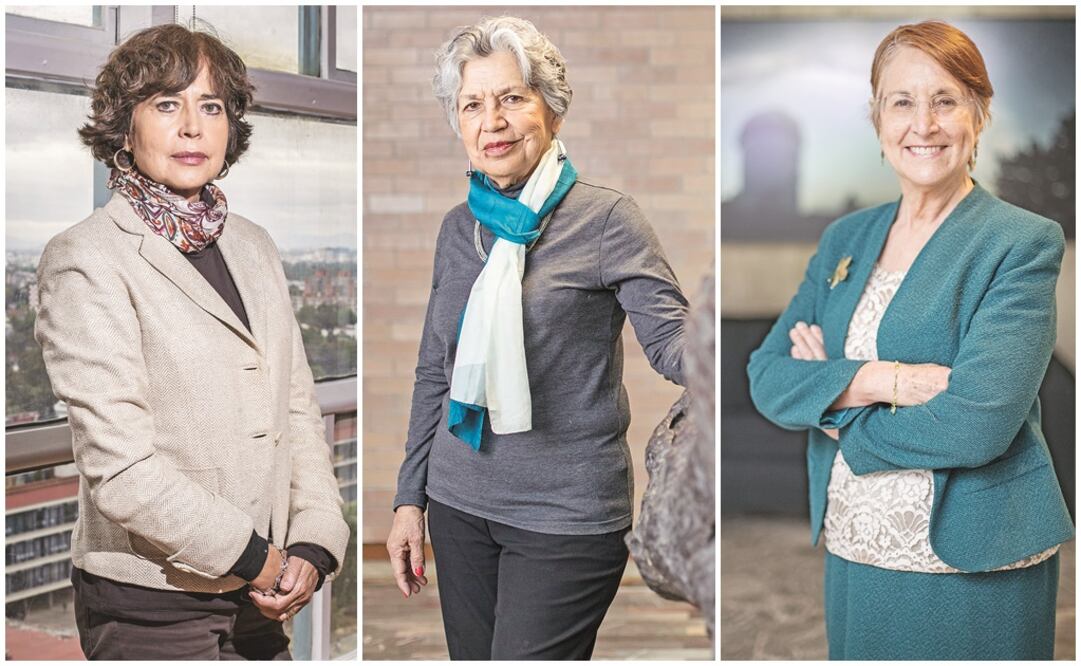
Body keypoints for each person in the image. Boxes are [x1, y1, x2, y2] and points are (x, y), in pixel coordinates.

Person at [747, 20, 1073, 660]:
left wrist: (835, 410)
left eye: (945, 100)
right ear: (877, 118)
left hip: (974, 558)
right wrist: (876, 380)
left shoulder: (1021, 243)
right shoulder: (846, 238)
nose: (922, 124)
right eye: (902, 101)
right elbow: (766, 373)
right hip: (856, 540)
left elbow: (977, 424)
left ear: (978, 115)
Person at [33, 24, 349, 660]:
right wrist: (257, 559)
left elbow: (295, 407)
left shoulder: (254, 245)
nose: (192, 127)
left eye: (211, 106)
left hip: (266, 593)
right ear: (125, 128)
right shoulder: (85, 259)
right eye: (166, 104)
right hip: (152, 606)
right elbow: (121, 468)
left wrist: (315, 543)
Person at [385, 16, 688, 660]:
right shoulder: (457, 228)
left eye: (512, 98)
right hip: (459, 503)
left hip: (566, 515)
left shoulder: (607, 219)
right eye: (473, 104)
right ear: (458, 123)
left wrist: (735, 346)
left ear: (551, 111)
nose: (491, 120)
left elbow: (673, 342)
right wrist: (409, 499)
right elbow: (435, 372)